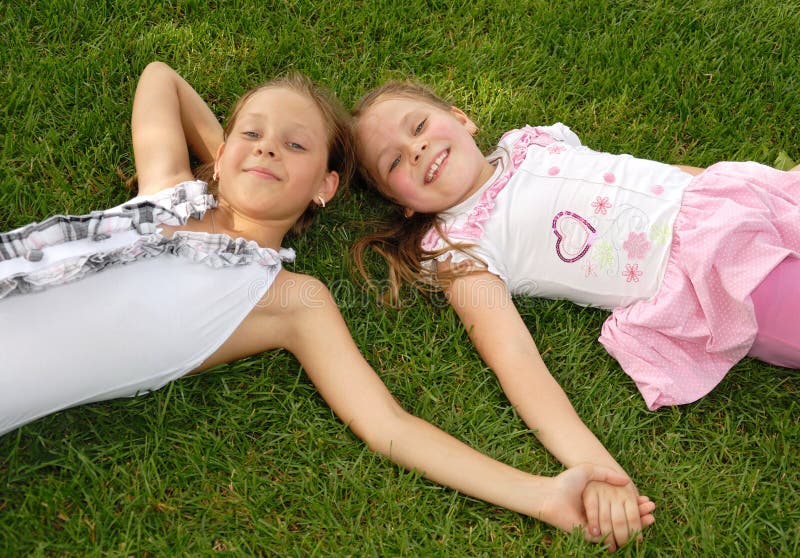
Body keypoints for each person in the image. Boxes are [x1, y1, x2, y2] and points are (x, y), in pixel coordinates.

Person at [0, 62, 653, 549]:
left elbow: (389, 426)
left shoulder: (285, 299)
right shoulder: (167, 188)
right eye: (251, 134)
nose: (266, 147)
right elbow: (160, 78)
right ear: (223, 151)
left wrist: (541, 494)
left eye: (295, 146)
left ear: (325, 188)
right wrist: (223, 160)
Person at [349, 80, 795, 547]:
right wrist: (595, 467)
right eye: (394, 161)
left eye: (418, 126)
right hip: (713, 276)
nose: (415, 149)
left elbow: (652, 175)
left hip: (731, 203)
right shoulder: (463, 247)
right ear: (401, 205)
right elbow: (514, 360)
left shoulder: (529, 142)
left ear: (462, 118)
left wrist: (766, 186)